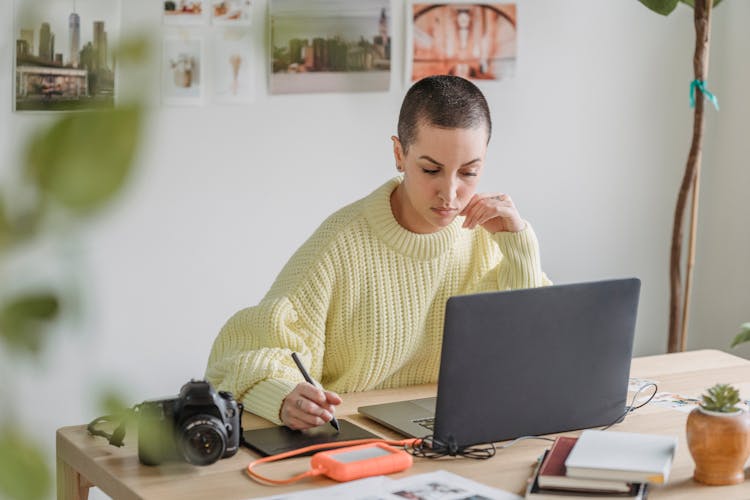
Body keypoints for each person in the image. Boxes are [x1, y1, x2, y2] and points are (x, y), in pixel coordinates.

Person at [206, 75, 551, 430]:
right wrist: (281, 396)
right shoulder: (340, 244)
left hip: (456, 432)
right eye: (431, 170)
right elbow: (235, 359)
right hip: (356, 440)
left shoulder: (486, 239)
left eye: (469, 172)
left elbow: (530, 354)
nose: (450, 194)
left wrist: (519, 244)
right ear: (399, 154)